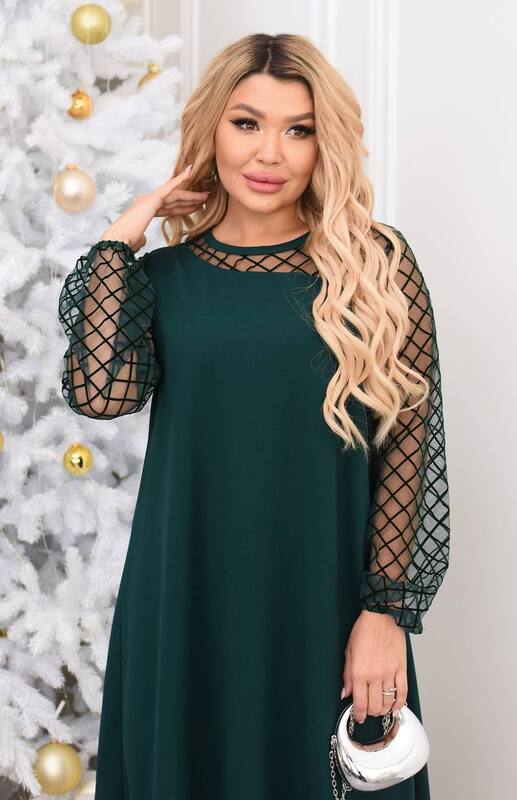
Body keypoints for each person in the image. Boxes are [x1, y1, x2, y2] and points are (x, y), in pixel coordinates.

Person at [57, 32, 450, 800]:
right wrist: (123, 234)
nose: (270, 153)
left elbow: (409, 443)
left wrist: (384, 614)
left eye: (298, 129)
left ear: (323, 144)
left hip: (324, 602)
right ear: (211, 129)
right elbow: (100, 394)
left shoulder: (374, 265)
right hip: (184, 602)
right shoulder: (162, 278)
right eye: (246, 123)